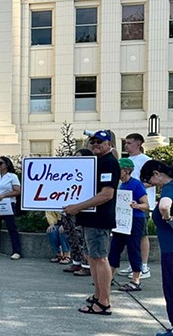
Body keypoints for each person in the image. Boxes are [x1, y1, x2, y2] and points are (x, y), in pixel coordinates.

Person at [63, 129, 120, 316]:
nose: (95, 145)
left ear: (109, 144)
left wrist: (78, 206)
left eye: (100, 142)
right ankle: (98, 295)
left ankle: (104, 302)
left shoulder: (109, 163)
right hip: (89, 218)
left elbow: (106, 194)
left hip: (99, 219)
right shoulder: (96, 163)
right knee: (93, 259)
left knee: (100, 259)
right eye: (92, 142)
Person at [139, 160, 173, 336]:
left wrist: (167, 217)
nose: (150, 184)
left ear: (157, 173)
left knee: (171, 288)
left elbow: (165, 205)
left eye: (149, 179)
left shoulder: (168, 188)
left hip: (170, 249)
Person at [108, 158, 149, 292]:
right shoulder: (120, 185)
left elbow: (146, 205)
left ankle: (136, 280)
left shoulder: (136, 184)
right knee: (115, 248)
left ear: (126, 170)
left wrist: (136, 205)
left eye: (119, 169)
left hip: (135, 219)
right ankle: (109, 277)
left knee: (133, 248)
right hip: (121, 221)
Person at [119, 133, 152, 280]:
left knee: (142, 235)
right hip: (126, 205)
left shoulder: (146, 160)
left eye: (129, 143)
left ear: (138, 144)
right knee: (129, 236)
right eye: (125, 143)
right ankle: (134, 264)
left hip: (141, 203)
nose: (126, 146)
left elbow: (153, 180)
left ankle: (144, 266)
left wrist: (136, 187)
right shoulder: (127, 160)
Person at [61, 148, 92, 276]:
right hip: (67, 209)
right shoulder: (69, 172)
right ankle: (76, 262)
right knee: (72, 237)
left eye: (79, 157)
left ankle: (86, 266)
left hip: (82, 209)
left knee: (81, 238)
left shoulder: (90, 172)